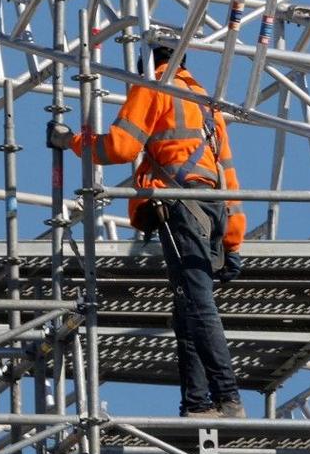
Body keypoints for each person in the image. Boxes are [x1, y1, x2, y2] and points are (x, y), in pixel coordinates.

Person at [47, 46, 246, 419]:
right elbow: (229, 175)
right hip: (211, 207)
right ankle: (198, 403)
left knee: (197, 303)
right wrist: (233, 240)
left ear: (144, 60)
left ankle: (228, 398)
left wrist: (70, 141)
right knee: (188, 305)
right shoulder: (205, 102)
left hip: (178, 203)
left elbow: (120, 147)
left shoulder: (153, 86)